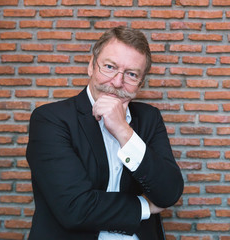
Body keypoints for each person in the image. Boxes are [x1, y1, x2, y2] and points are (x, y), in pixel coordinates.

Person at [26, 26, 184, 240]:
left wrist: (123, 131)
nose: (117, 83)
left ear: (141, 83)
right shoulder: (50, 119)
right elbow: (74, 208)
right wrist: (144, 206)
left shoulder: (149, 118)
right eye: (109, 67)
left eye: (131, 74)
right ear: (91, 66)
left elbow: (169, 193)